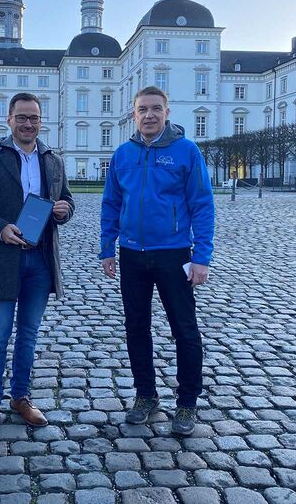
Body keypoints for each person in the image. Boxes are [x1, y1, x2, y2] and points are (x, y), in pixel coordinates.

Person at [99, 86, 214, 436]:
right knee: (136, 327)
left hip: (173, 253)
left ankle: (187, 402)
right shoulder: (122, 154)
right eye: (142, 110)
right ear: (133, 115)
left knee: (185, 329)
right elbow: (111, 203)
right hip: (132, 254)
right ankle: (146, 395)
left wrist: (201, 256)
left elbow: (202, 204)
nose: (149, 115)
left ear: (167, 112)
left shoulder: (186, 151)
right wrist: (107, 248)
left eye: (155, 109)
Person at [0, 92, 75, 437]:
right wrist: (0, 227)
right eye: (22, 117)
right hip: (3, 258)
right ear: (9, 119)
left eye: (34, 118)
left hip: (40, 260)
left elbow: (68, 199)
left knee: (28, 336)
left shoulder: (53, 160)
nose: (28, 124)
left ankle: (21, 397)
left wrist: (64, 210)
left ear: (41, 122)